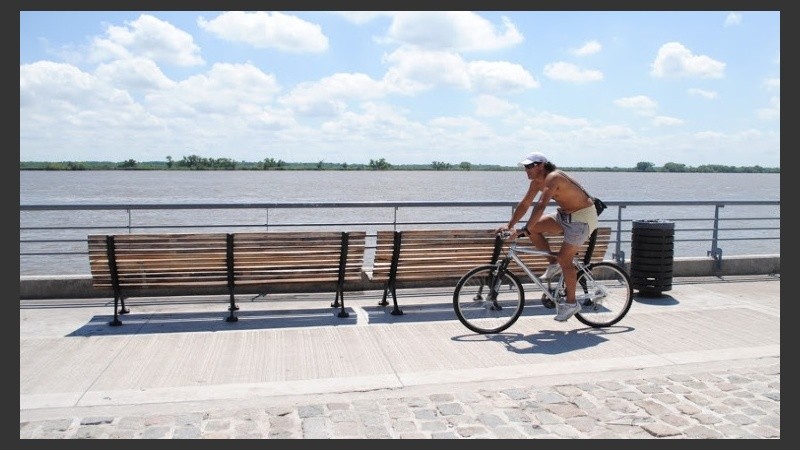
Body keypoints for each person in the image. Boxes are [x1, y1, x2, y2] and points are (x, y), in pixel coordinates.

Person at [496, 151, 598, 322]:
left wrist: (525, 229)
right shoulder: (537, 182)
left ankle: (572, 303)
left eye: (529, 166)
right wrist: (510, 225)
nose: (526, 170)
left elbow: (541, 205)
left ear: (541, 165)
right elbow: (525, 203)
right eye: (525, 167)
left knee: (565, 260)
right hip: (565, 216)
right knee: (536, 229)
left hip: (582, 219)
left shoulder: (553, 177)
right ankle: (553, 264)